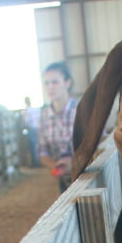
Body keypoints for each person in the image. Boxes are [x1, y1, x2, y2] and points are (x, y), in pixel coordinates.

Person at [37, 62, 78, 191]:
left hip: (87, 176)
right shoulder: (44, 116)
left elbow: (100, 143)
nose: (50, 87)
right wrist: (57, 166)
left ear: (68, 83)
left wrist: (74, 163)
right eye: (46, 83)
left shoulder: (82, 110)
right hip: (64, 180)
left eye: (55, 82)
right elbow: (42, 152)